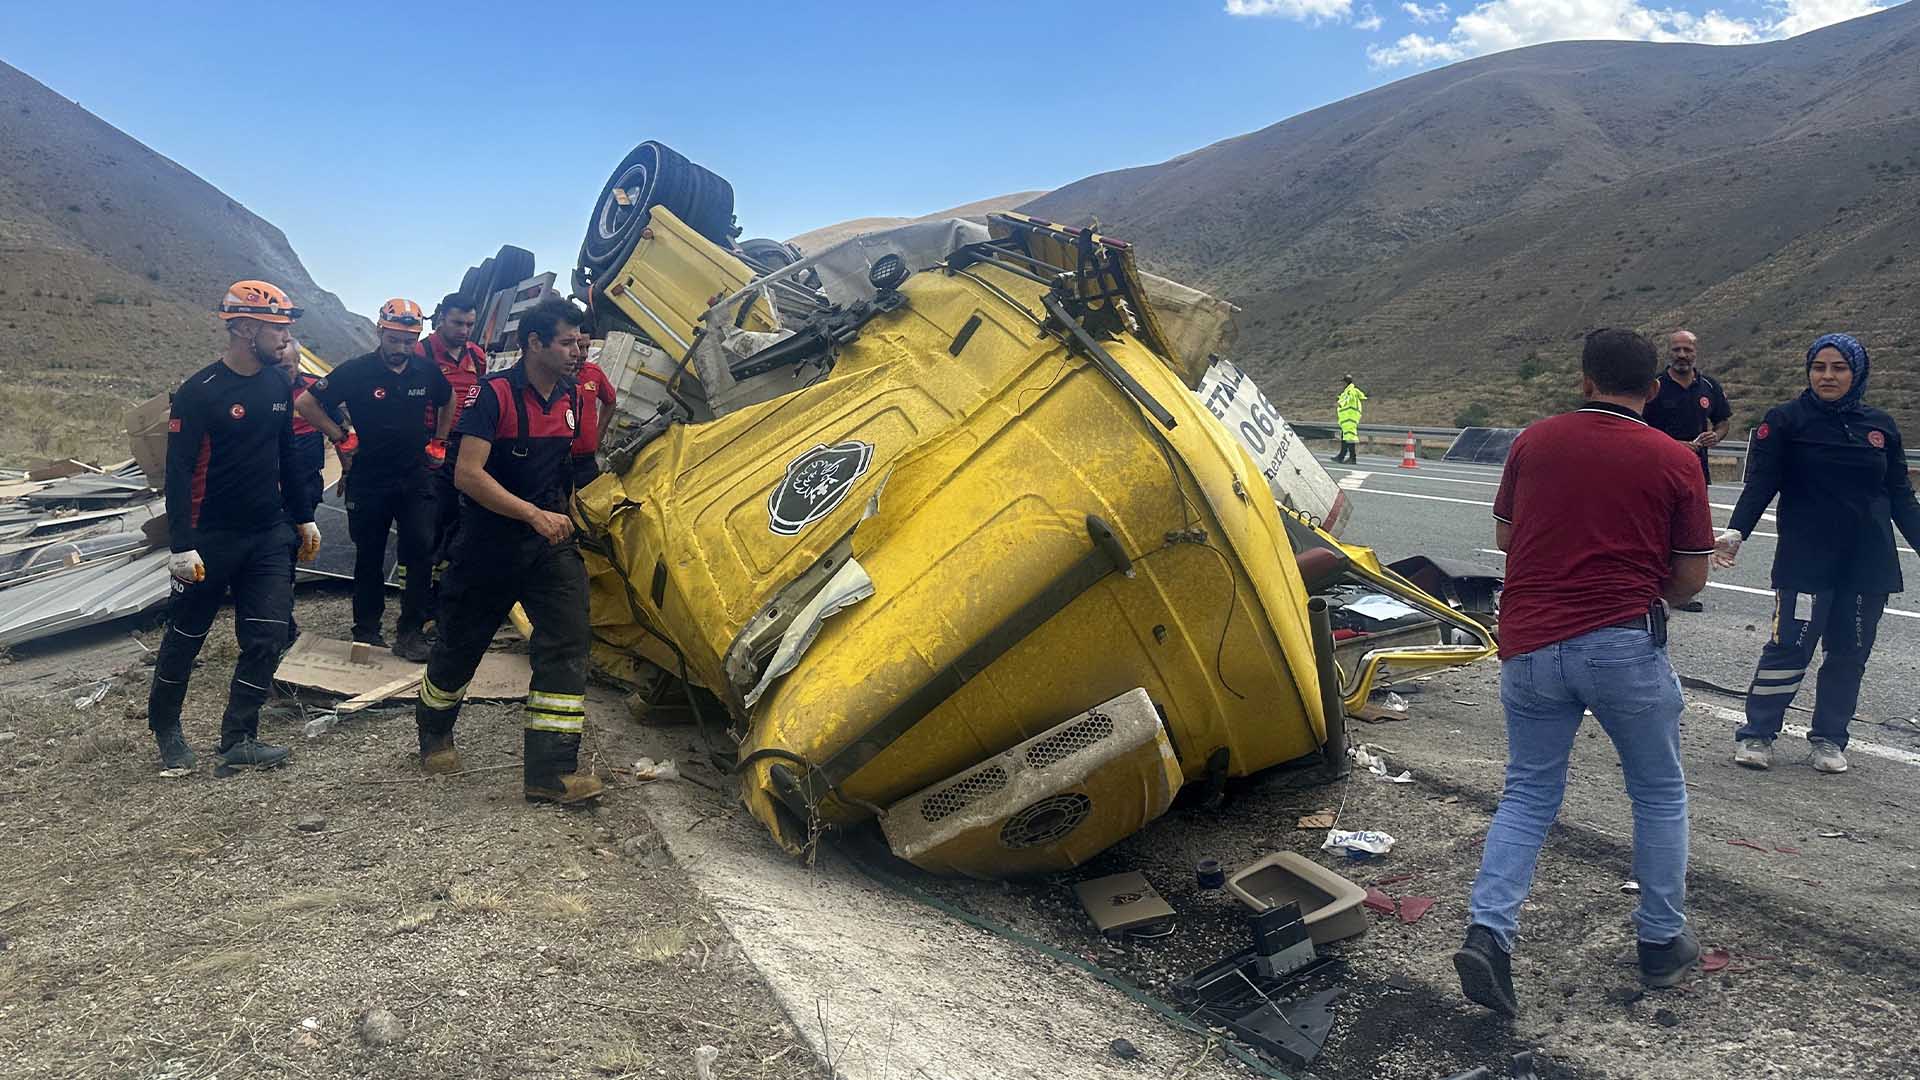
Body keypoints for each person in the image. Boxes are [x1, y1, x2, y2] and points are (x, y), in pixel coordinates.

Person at [1453, 328, 1711, 1018]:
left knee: (1529, 794)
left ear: (1585, 378)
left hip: (1531, 645)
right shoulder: (1674, 458)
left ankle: (1489, 934)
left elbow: (1509, 535)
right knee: (1657, 792)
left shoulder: (1534, 441)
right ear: (1654, 390)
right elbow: (1688, 579)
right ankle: (1660, 943)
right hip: (1622, 645)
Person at [415, 299, 602, 805]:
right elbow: (467, 474)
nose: (576, 351)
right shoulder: (493, 396)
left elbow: (565, 467)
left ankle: (550, 773)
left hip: (547, 546)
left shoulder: (569, 397)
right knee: (460, 645)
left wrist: (569, 513)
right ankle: (433, 731)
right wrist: (531, 514)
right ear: (535, 343)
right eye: (566, 342)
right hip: (487, 546)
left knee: (567, 642)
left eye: (579, 342)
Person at [1716, 334, 1920, 775]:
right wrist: (1735, 532)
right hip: (1806, 560)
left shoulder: (1880, 425)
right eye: (1819, 367)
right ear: (1809, 371)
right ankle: (1757, 733)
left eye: (1839, 368)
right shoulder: (1786, 420)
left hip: (1867, 562)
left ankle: (1829, 739)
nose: (1827, 376)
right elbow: (1761, 483)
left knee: (1849, 654)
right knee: (1789, 646)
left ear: (1857, 372)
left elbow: (1902, 496)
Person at [146, 281, 322, 773]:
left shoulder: (278, 385)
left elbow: (286, 452)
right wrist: (181, 545)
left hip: (268, 534)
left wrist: (304, 515)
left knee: (266, 638)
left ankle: (239, 737)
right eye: (278, 329)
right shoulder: (199, 394)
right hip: (208, 538)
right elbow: (177, 473)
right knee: (187, 635)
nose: (286, 339)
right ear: (244, 328)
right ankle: (165, 725)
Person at [296, 298, 451, 661]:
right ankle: (366, 631)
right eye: (394, 339)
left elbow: (449, 398)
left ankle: (410, 633)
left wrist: (440, 441)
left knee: (420, 552)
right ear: (380, 331)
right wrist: (339, 435)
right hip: (368, 479)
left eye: (409, 341)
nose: (401, 349)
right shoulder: (356, 371)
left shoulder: (426, 371)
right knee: (369, 556)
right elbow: (306, 402)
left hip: (415, 478)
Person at [1642, 331, 1731, 612]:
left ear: (1696, 352)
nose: (1682, 355)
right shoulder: (1654, 385)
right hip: (1657, 470)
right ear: (1669, 352)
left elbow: (1723, 421)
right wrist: (1672, 444)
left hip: (1694, 472)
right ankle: (1649, 587)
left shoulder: (1708, 386)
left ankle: (1679, 592)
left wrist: (1716, 436)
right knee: (1655, 529)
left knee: (1688, 530)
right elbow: (1637, 425)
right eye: (1677, 349)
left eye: (1687, 350)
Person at [275, 336, 342, 647]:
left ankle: (281, 621)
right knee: (279, 553)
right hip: (266, 489)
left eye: (288, 366)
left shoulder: (316, 390)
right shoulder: (256, 391)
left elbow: (340, 431)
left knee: (290, 550)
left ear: (298, 363)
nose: (283, 372)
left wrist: (348, 471)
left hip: (305, 485)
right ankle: (280, 625)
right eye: (278, 365)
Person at [417, 295, 489, 575]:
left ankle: (446, 577)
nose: (464, 330)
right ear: (441, 320)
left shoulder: (477, 356)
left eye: (470, 324)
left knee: (460, 514)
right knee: (429, 516)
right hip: (429, 444)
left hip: (465, 445)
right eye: (458, 323)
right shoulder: (422, 353)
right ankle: (421, 586)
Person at [568, 326, 617, 489]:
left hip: (585, 461)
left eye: (587, 347)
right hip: (555, 460)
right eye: (579, 346)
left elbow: (610, 401)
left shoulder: (593, 373)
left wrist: (598, 436)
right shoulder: (552, 375)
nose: (584, 354)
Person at [1332, 375, 1365, 464]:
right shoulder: (1349, 391)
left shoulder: (1350, 391)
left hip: (1349, 419)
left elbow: (1347, 400)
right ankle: (1341, 457)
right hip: (1347, 420)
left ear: (1345, 382)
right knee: (1345, 438)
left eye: (1343, 382)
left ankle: (1352, 458)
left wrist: (1340, 402)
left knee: (1349, 438)